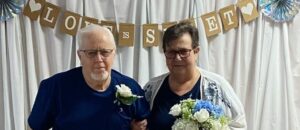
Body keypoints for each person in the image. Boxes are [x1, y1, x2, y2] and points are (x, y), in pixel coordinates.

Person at [28, 24, 149, 130]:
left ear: (114, 54)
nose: (99, 59)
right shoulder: (54, 87)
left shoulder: (131, 87)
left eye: (105, 52)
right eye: (91, 53)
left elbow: (143, 124)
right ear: (80, 56)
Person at [143, 22, 247, 130]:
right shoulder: (151, 88)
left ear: (196, 51)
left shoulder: (217, 87)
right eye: (171, 52)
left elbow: (239, 125)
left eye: (183, 51)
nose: (177, 58)